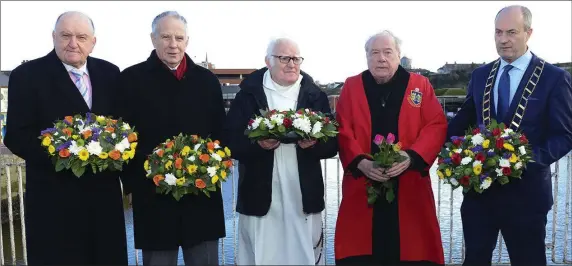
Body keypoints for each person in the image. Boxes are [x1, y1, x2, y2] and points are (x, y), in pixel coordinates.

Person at [447, 5, 572, 266]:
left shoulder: (554, 78)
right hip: (479, 195)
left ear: (529, 33)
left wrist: (524, 161)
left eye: (511, 32)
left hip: (527, 197)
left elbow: (563, 135)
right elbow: (462, 122)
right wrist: (442, 149)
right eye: (498, 32)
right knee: (475, 260)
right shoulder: (481, 75)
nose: (503, 39)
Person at [4, 11, 127, 265]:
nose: (73, 43)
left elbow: (123, 127)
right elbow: (16, 135)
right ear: (53, 37)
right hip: (53, 201)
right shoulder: (26, 76)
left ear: (93, 42)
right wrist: (65, 152)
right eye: (66, 35)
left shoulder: (111, 73)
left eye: (81, 37)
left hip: (104, 201)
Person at [115, 11, 226, 265]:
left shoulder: (207, 81)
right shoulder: (130, 79)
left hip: (202, 198)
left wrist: (211, 171)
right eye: (165, 36)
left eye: (179, 37)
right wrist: (136, 182)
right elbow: (121, 140)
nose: (173, 44)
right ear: (153, 39)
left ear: (187, 41)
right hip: (153, 198)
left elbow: (221, 134)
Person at [334, 30, 446, 265]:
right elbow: (342, 129)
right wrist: (361, 162)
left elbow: (436, 125)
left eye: (387, 52)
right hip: (363, 187)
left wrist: (412, 157)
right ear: (367, 57)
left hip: (410, 189)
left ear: (398, 55)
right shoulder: (352, 87)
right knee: (361, 252)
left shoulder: (420, 85)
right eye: (374, 53)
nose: (381, 58)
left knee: (413, 249)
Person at [223, 37, 338, 265]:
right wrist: (257, 145)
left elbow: (333, 144)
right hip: (259, 193)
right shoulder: (248, 95)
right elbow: (230, 141)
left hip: (303, 194)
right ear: (268, 61)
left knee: (304, 252)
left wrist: (314, 145)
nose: (291, 64)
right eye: (284, 58)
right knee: (260, 253)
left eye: (296, 58)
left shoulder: (315, 96)